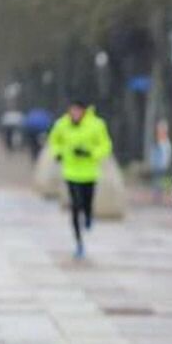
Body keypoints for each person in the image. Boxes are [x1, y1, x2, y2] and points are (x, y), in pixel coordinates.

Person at [47, 98, 112, 259]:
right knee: (76, 206)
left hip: (89, 173)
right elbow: (53, 141)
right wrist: (58, 153)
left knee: (87, 203)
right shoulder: (61, 124)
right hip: (71, 173)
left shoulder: (96, 124)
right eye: (72, 110)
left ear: (84, 111)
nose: (74, 114)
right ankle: (79, 243)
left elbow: (106, 145)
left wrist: (90, 153)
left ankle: (89, 216)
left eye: (77, 111)